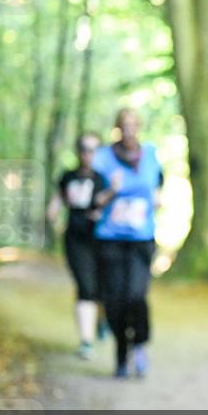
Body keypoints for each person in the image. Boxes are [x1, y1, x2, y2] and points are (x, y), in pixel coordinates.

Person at [92, 108, 164, 379]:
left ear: (139, 127)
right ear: (117, 128)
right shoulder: (103, 158)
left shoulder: (151, 155)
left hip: (141, 240)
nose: (129, 129)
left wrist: (158, 198)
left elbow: (158, 184)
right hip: (110, 240)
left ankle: (140, 344)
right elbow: (92, 201)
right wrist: (111, 191)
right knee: (115, 302)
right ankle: (121, 355)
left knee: (136, 296)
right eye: (124, 124)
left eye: (134, 124)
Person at [47, 132, 106, 359]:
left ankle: (101, 319)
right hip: (75, 238)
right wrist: (53, 213)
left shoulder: (103, 179)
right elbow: (58, 199)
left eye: (93, 149)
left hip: (101, 239)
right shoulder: (68, 176)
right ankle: (86, 341)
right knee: (85, 285)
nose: (88, 154)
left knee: (101, 287)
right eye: (84, 148)